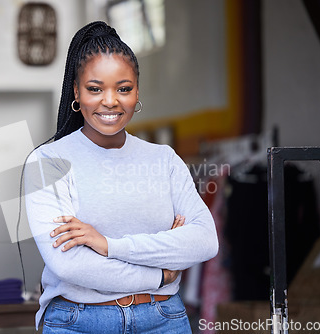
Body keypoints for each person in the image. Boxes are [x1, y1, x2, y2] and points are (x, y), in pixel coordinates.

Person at [23, 21, 218, 333]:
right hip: (79, 322)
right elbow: (70, 264)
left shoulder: (163, 159)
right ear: (76, 91)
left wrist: (108, 245)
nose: (111, 101)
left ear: (137, 91)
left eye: (123, 89)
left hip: (163, 319)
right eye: (95, 89)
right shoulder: (48, 163)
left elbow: (205, 241)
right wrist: (160, 273)